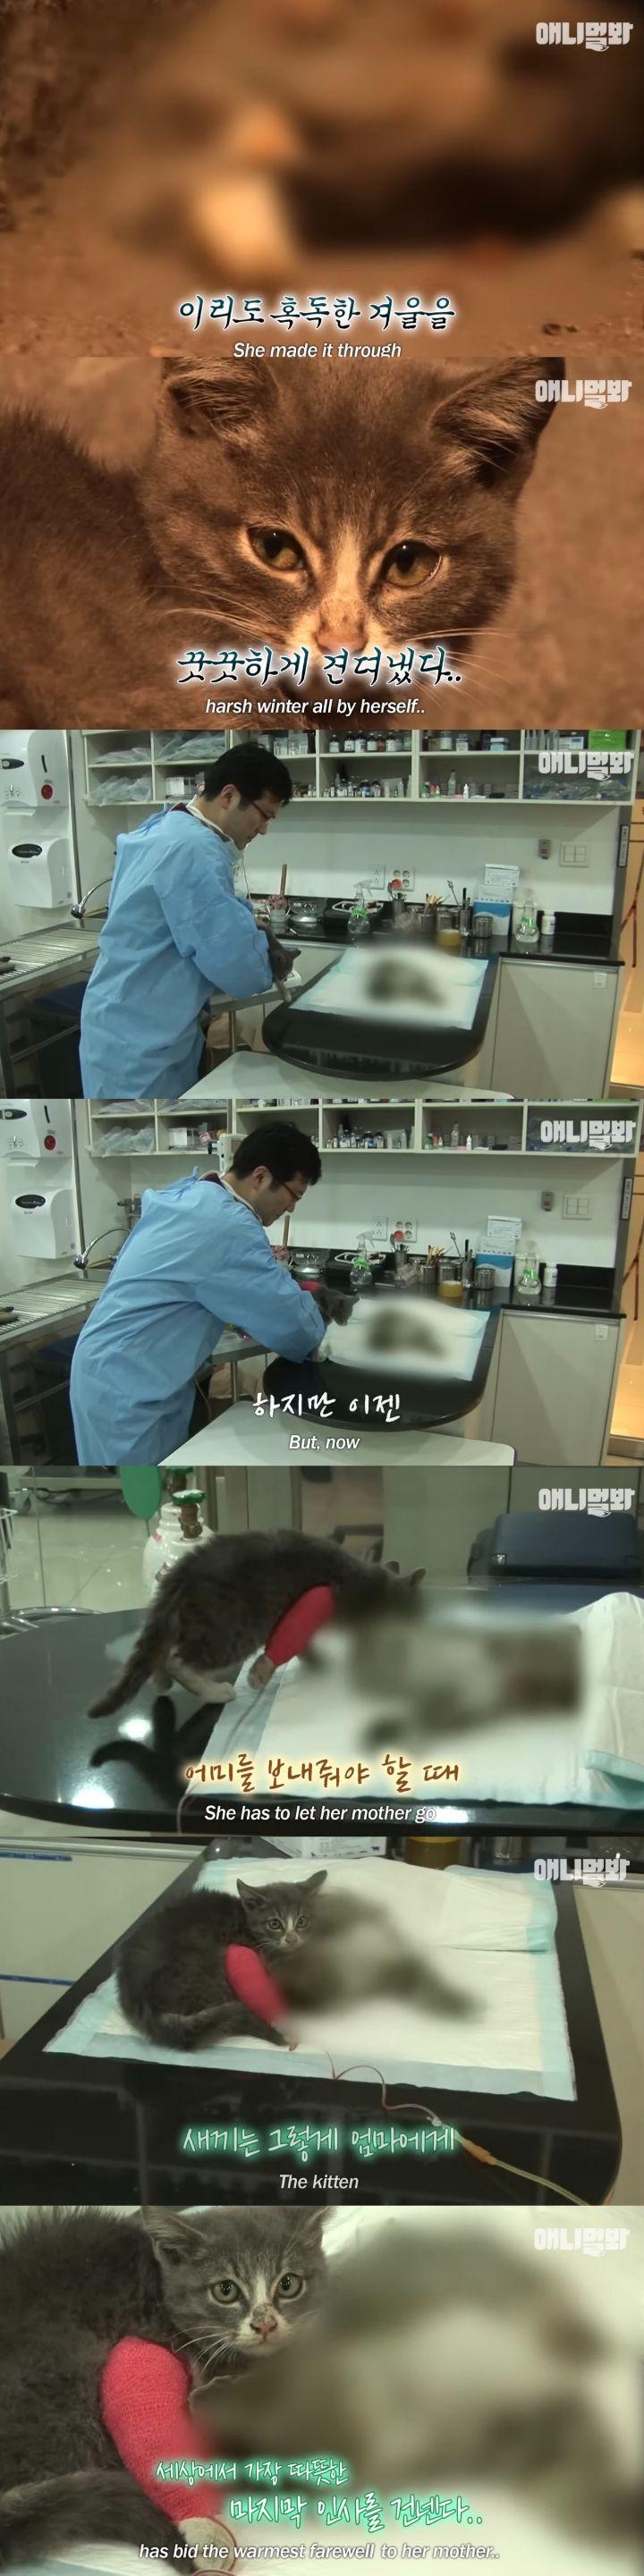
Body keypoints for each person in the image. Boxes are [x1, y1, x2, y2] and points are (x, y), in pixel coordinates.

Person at [70, 1123, 332, 1465]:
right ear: (260, 1177)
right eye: (293, 1195)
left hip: (113, 1372)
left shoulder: (195, 1192)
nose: (292, 1208)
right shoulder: (228, 1226)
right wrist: (317, 1310)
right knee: (139, 1491)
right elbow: (295, 1329)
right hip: (128, 1394)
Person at [79, 744, 293, 1099]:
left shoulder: (167, 824)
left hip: (117, 1025)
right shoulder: (195, 850)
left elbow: (200, 917)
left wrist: (241, 922)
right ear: (229, 796)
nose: (264, 829)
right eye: (264, 815)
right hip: (143, 1046)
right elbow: (239, 971)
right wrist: (265, 956)